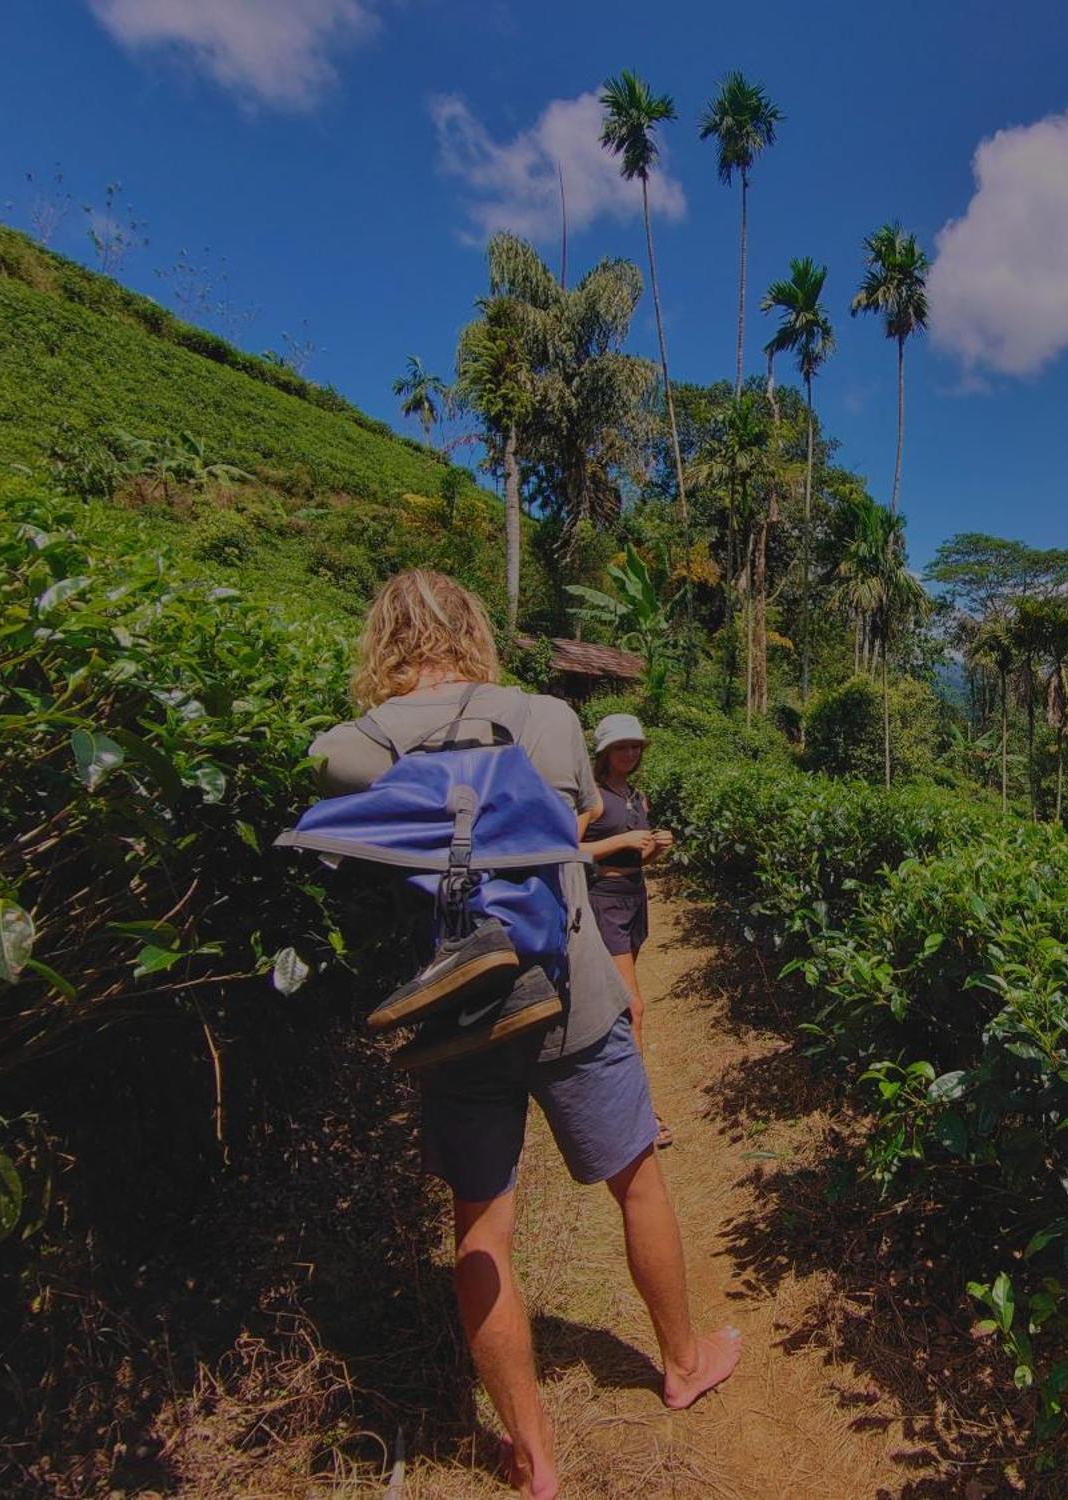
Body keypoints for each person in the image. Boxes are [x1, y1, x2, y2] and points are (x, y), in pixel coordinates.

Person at [307, 570, 738, 1499]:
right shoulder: (546, 718)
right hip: (569, 992)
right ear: (474, 628)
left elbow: (327, 772)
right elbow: (569, 822)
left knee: (481, 1227)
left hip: (455, 1012)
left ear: (380, 639)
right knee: (636, 1184)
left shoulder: (358, 747)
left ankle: (531, 1453)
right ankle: (683, 1360)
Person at [580, 713, 675, 1145]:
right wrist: (620, 842)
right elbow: (568, 848)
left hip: (634, 899)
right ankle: (639, 1115)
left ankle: (614, 1096)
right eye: (622, 747)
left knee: (621, 1004)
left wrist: (654, 848)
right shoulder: (593, 798)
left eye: (635, 746)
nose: (630, 753)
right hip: (604, 901)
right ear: (604, 753)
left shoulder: (639, 798)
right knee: (632, 1007)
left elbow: (639, 861)